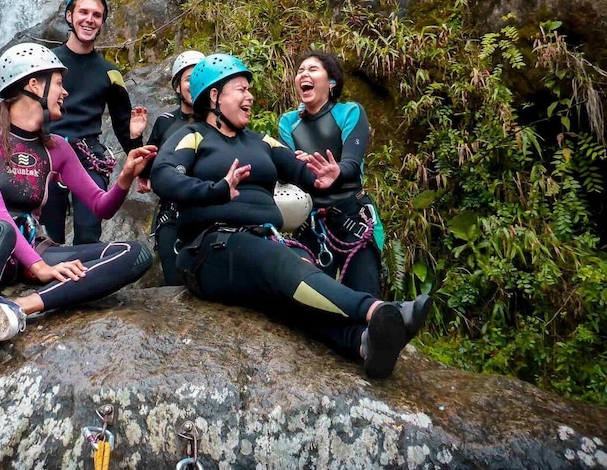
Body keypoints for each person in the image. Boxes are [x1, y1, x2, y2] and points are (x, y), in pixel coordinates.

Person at [0, 43, 156, 452]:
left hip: (32, 252)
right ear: (33, 84)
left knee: (136, 253)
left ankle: (17, 310)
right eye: (59, 84)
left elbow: (100, 205)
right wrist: (39, 265)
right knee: (1, 232)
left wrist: (126, 176)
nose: (65, 94)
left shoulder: (56, 148)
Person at [151, 53, 432, 380]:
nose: (250, 96)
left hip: (261, 240)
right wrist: (215, 189)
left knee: (292, 290)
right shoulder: (194, 135)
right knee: (276, 262)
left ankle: (363, 342)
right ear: (214, 96)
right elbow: (165, 175)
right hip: (210, 248)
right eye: (240, 89)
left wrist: (325, 176)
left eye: (249, 90)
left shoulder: (259, 141)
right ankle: (377, 311)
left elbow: (299, 169)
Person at [40, 0, 147, 245]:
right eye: (83, 12)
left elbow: (124, 128)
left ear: (102, 22)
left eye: (96, 15)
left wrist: (141, 160)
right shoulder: (45, 63)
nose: (89, 19)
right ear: (69, 16)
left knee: (89, 233)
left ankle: (87, 283)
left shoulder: (110, 73)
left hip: (90, 158)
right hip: (49, 153)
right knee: (47, 236)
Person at [279, 51, 386, 297]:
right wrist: (295, 167)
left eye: (313, 69)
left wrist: (335, 171)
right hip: (312, 220)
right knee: (313, 300)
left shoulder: (350, 112)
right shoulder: (288, 123)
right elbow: (287, 172)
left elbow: (351, 164)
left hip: (353, 217)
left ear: (332, 82)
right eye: (300, 70)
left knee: (364, 296)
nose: (304, 73)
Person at [137, 50, 205, 285]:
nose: (195, 83)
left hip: (210, 209)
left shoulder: (219, 121)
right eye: (188, 79)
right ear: (177, 87)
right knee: (174, 282)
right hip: (172, 212)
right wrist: (135, 139)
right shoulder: (165, 121)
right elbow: (147, 166)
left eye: (200, 77)